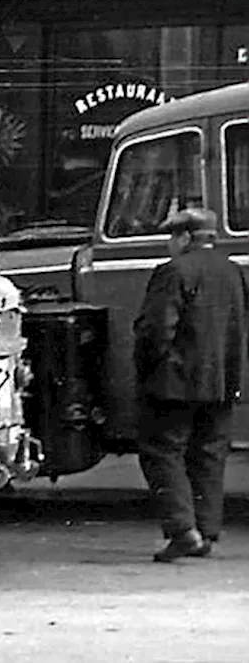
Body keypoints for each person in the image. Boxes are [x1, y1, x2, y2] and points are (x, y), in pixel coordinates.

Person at [133, 207, 248, 562]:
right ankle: (207, 531)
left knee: (162, 451)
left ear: (184, 237)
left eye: (172, 237)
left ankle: (183, 530)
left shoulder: (173, 272)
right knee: (209, 455)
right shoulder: (233, 272)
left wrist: (146, 369)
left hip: (174, 382)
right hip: (221, 382)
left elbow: (155, 329)